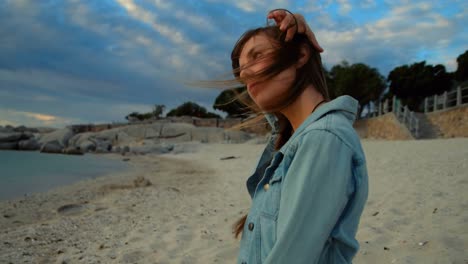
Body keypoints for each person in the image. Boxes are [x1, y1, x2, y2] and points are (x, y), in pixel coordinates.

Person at [230, 9, 369, 263]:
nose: (246, 74)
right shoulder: (294, 139)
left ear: (301, 55)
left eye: (256, 56)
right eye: (241, 72)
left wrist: (297, 43)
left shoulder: (323, 138)